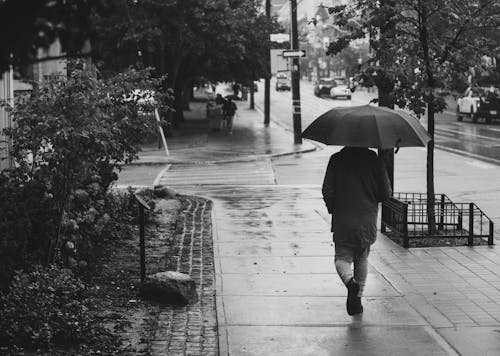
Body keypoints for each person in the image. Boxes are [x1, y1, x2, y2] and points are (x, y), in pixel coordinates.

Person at [322, 146, 391, 315]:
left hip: (343, 218)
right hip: (366, 220)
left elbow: (327, 190)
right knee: (361, 258)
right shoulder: (375, 160)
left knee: (341, 258)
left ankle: (349, 282)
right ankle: (357, 300)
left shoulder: (336, 159)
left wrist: (333, 208)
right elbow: (385, 194)